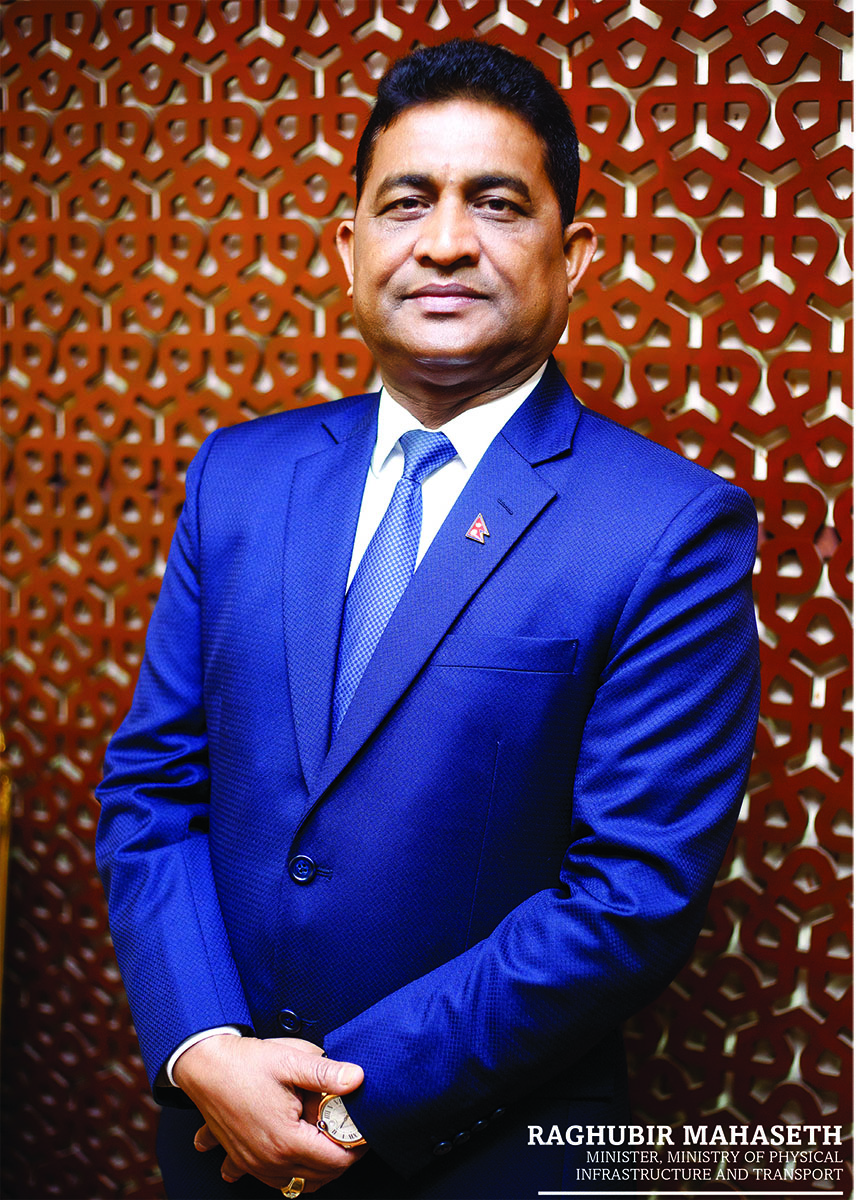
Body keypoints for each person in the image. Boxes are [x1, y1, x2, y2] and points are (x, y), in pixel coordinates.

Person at [96, 38, 760, 1200]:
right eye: (407, 202)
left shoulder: (668, 527)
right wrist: (202, 1047)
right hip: (214, 1143)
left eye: (496, 203)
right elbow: (152, 787)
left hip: (480, 1158)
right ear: (348, 245)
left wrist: (337, 1109)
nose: (445, 241)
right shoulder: (238, 477)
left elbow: (628, 899)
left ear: (573, 255)